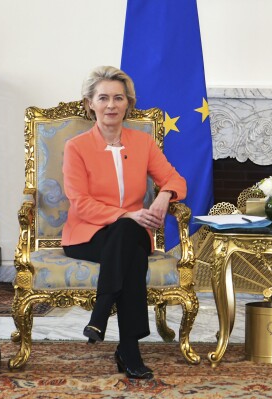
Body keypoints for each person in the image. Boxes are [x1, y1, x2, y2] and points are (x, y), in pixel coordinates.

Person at [62, 66, 186, 380]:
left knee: (128, 234)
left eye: (119, 98)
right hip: (87, 236)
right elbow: (80, 201)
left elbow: (175, 179)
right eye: (103, 97)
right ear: (90, 103)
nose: (111, 105)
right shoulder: (76, 147)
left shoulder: (142, 143)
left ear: (128, 103)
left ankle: (101, 315)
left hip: (130, 234)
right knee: (129, 238)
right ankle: (128, 348)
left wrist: (163, 195)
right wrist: (126, 214)